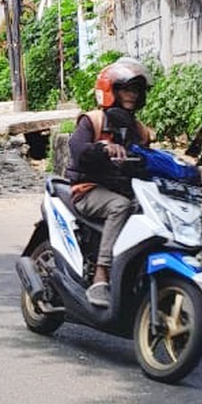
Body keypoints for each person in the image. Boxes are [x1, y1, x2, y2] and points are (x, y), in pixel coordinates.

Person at [65, 59, 153, 308]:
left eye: (136, 90)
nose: (132, 95)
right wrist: (102, 147)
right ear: (110, 91)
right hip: (88, 190)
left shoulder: (140, 130)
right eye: (126, 89)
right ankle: (101, 275)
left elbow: (148, 161)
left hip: (123, 189)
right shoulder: (92, 121)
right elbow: (78, 150)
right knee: (120, 206)